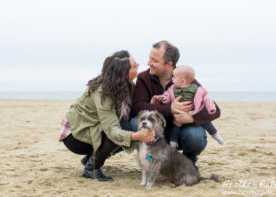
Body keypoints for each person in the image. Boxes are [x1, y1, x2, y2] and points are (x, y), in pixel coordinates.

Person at [59, 50, 155, 181]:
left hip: (95, 128)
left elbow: (132, 111)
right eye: (134, 65)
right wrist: (137, 136)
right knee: (126, 131)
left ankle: (90, 158)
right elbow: (112, 130)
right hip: (76, 135)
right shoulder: (104, 91)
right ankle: (91, 168)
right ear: (123, 72)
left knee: (128, 129)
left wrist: (152, 103)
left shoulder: (126, 85)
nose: (138, 65)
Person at [132, 41, 221, 164]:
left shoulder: (185, 79)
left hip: (180, 132)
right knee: (133, 124)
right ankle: (152, 159)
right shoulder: (143, 78)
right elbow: (138, 106)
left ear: (169, 64)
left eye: (155, 61)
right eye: (149, 58)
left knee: (195, 135)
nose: (148, 63)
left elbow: (215, 110)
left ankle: (189, 161)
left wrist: (191, 118)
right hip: (157, 133)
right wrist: (170, 109)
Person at [151, 65, 224, 149]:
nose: (172, 79)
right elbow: (167, 97)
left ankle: (215, 135)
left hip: (193, 113)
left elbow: (206, 98)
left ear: (182, 81)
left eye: (174, 77)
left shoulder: (196, 89)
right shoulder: (172, 89)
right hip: (179, 115)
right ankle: (173, 142)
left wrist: (210, 108)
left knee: (206, 123)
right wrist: (162, 98)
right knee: (176, 127)